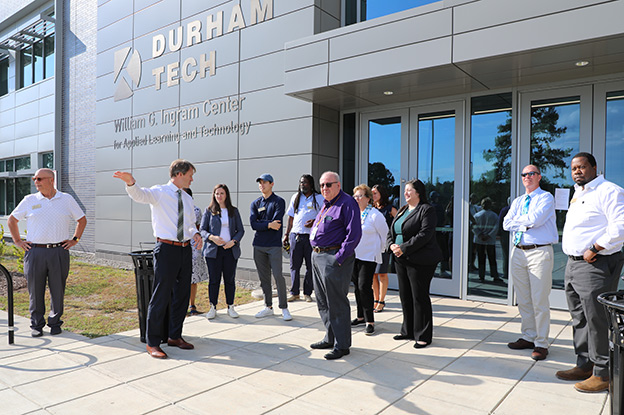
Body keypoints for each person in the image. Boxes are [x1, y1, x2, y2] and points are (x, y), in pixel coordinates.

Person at [113, 160, 203, 359]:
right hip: (166, 249)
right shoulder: (160, 192)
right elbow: (140, 195)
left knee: (182, 294)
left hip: (185, 250)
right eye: (190, 175)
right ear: (179, 174)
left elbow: (189, 224)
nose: (192, 178)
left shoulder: (187, 198)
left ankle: (174, 336)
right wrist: (130, 183)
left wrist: (195, 234)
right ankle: (152, 342)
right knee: (161, 295)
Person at [557, 152, 624, 393]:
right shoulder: (579, 193)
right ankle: (584, 364)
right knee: (580, 318)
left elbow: (621, 225)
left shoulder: (609, 191)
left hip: (596, 263)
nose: (577, 171)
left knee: (597, 319)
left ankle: (603, 373)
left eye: (582, 167)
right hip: (573, 264)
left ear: (594, 168)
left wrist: (595, 247)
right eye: (574, 168)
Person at [8, 168, 86, 337]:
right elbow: (12, 220)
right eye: (34, 178)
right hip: (35, 252)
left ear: (51, 180)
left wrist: (75, 239)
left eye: (39, 178)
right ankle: (36, 324)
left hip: (59, 251)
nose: (36, 181)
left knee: (58, 289)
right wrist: (17, 241)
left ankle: (55, 322)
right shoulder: (29, 200)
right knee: (35, 290)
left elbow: (82, 219)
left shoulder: (66, 199)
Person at [503, 165, 557, 361]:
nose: (527, 177)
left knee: (539, 300)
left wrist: (520, 221)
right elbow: (505, 223)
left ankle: (541, 343)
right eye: (524, 174)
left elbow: (536, 219)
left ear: (539, 177)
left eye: (531, 173)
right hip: (518, 252)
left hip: (539, 251)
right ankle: (528, 336)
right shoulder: (518, 200)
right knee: (524, 299)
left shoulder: (546, 198)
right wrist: (524, 221)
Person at [309, 171, 361, 360]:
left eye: (328, 185)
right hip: (318, 257)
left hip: (333, 258)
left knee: (336, 302)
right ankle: (330, 337)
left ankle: (342, 345)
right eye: (322, 185)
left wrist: (338, 258)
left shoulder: (347, 203)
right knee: (323, 301)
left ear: (338, 185)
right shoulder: (326, 204)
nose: (324, 188)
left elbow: (354, 234)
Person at [388, 179, 442, 349]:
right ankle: (408, 331)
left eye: (409, 190)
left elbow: (425, 234)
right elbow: (392, 230)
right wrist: (391, 245)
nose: (405, 193)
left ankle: (423, 335)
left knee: (419, 297)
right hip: (401, 258)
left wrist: (403, 248)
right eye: (405, 190)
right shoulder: (403, 209)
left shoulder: (427, 210)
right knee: (405, 295)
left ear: (418, 192)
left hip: (420, 260)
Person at [250, 173, 292, 321]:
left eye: (265, 182)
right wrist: (268, 224)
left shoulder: (279, 201)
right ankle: (268, 307)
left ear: (272, 184)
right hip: (258, 246)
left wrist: (264, 224)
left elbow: (277, 223)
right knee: (264, 278)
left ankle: (284, 308)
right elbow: (253, 224)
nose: (262, 185)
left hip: (274, 245)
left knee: (278, 276)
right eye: (260, 183)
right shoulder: (255, 203)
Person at [200, 184, 245, 319]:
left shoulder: (233, 211)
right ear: (214, 195)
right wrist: (212, 237)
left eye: (222, 193)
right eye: (217, 193)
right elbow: (202, 230)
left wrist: (234, 241)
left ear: (226, 195)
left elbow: (241, 230)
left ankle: (230, 306)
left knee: (229, 280)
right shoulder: (209, 211)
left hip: (230, 251)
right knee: (214, 280)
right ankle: (212, 307)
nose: (219, 196)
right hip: (213, 251)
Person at [351, 184, 388, 335]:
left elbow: (385, 234)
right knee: (356, 287)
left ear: (368, 199)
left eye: (360, 196)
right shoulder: (353, 213)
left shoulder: (375, 215)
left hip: (369, 256)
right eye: (355, 196)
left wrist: (381, 250)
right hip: (354, 255)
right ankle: (360, 316)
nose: (357, 199)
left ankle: (369, 321)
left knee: (364, 287)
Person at [283, 174, 324, 302]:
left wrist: (314, 221)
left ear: (311, 184)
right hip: (296, 235)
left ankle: (307, 293)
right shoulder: (295, 197)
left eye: (305, 183)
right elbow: (290, 217)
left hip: (311, 238)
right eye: (301, 182)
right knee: (294, 265)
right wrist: (286, 234)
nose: (302, 185)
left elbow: (323, 216)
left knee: (310, 266)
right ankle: (294, 292)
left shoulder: (319, 198)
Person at [183, 188, 209, 316]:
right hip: (179, 246)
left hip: (192, 246)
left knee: (193, 278)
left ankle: (192, 305)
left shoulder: (196, 211)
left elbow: (199, 228)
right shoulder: (174, 210)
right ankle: (183, 306)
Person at [371, 184, 396, 313]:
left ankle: (381, 301)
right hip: (371, 245)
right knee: (373, 274)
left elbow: (398, 225)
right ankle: (375, 300)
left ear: (381, 194)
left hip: (384, 245)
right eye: (371, 193)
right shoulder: (370, 209)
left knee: (382, 273)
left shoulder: (390, 209)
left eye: (375, 193)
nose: (372, 195)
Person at [473, 197, 502, 283]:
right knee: (492, 258)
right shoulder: (494, 215)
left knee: (481, 258)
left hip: (479, 239)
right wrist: (489, 235)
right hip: (490, 240)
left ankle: (481, 275)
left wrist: (480, 234)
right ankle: (494, 275)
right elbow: (496, 227)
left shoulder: (477, 215)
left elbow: (473, 226)